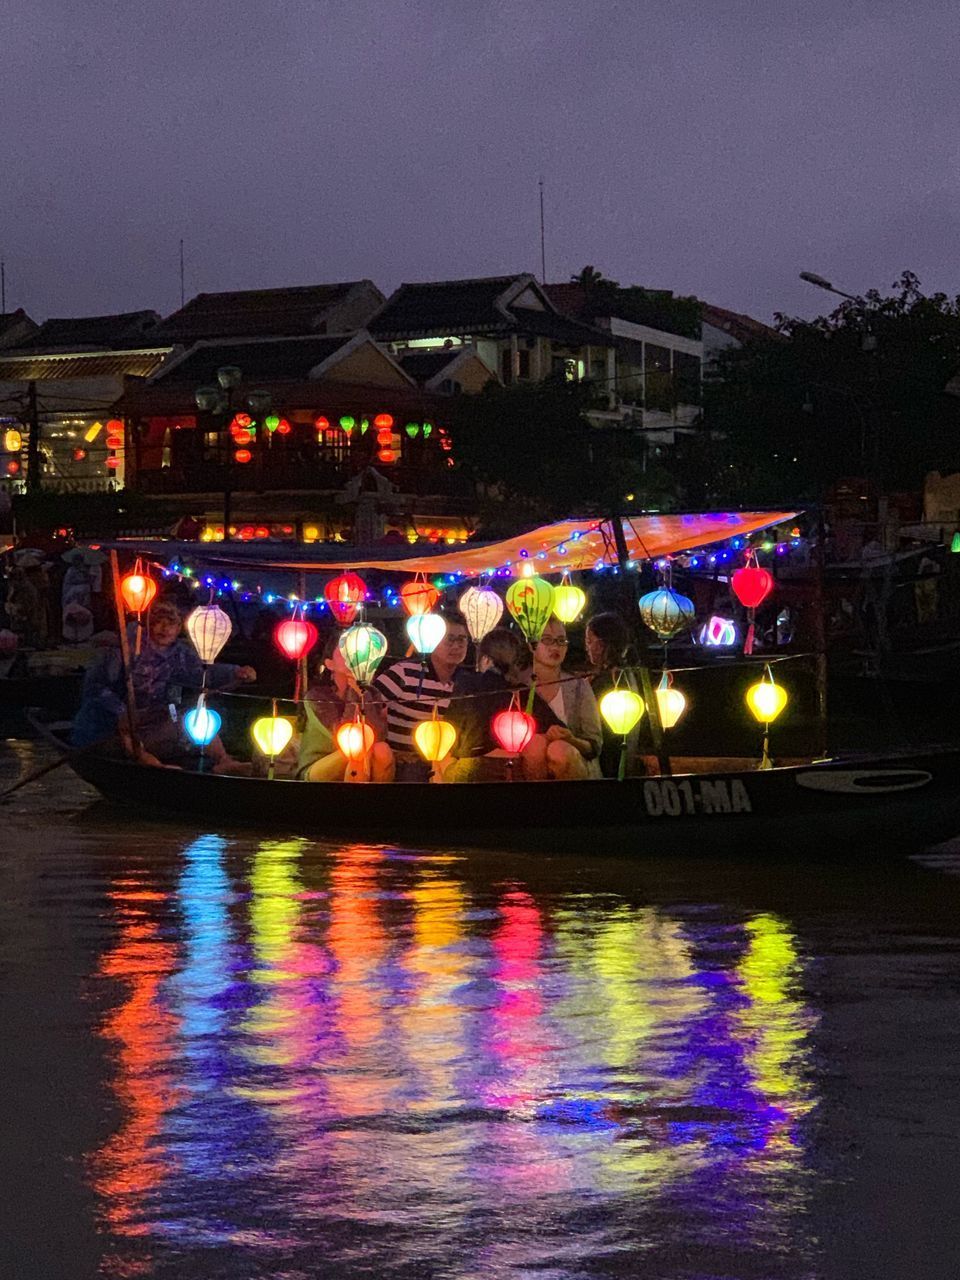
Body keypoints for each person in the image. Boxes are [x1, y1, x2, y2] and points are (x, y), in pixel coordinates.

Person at [72, 598, 256, 769]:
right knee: (127, 737)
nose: (164, 628)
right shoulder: (124, 650)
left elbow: (201, 674)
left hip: (154, 718)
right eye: (158, 621)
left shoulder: (180, 654)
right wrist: (121, 711)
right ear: (148, 625)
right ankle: (151, 764)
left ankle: (223, 760)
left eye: (171, 623)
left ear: (178, 628)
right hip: (112, 724)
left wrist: (234, 672)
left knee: (196, 716)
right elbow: (95, 687)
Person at [442, 628, 557, 782]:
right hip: (515, 770)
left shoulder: (467, 683)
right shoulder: (522, 692)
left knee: (442, 767)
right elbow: (555, 727)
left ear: (485, 659)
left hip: (474, 767)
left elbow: (452, 727)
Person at [373, 610, 470, 780]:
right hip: (403, 761)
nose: (456, 646)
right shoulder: (403, 673)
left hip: (444, 761)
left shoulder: (465, 683)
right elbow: (369, 705)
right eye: (449, 639)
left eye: (461, 639)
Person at [298, 633, 394, 782]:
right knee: (357, 749)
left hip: (362, 755)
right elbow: (343, 737)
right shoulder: (317, 696)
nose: (353, 656)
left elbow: (379, 735)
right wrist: (353, 693)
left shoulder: (371, 693)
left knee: (382, 750)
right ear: (329, 664)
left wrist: (362, 695)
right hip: (320, 763)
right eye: (345, 651)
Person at [525, 617, 602, 780]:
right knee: (534, 745)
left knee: (559, 750)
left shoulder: (578, 685)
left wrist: (571, 739)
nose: (555, 647)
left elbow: (594, 745)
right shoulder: (519, 684)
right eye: (547, 640)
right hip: (531, 763)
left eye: (561, 641)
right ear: (531, 645)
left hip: (575, 762)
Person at [585, 611, 644, 778]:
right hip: (621, 759)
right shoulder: (626, 673)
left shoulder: (612, 680)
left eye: (590, 641)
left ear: (603, 644)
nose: (587, 647)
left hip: (608, 760)